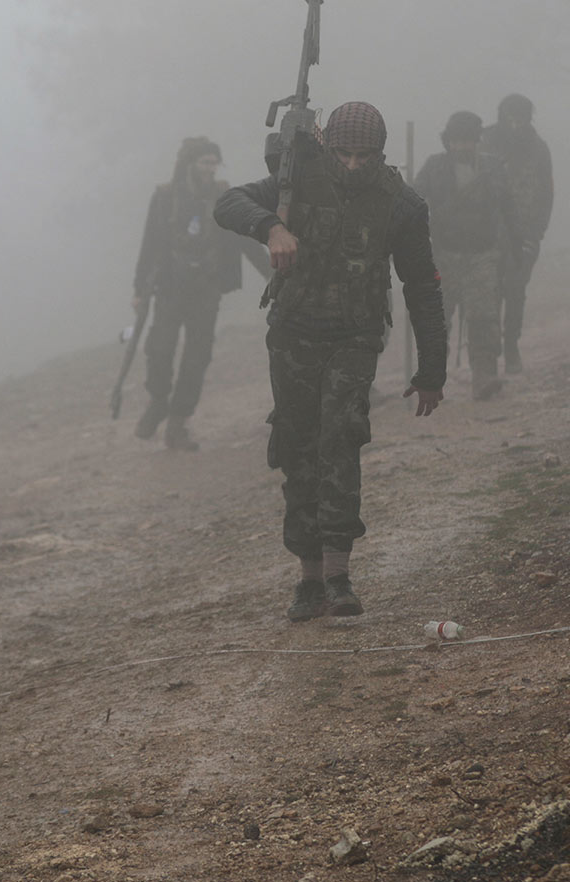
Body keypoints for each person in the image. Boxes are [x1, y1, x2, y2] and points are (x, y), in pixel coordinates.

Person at [214, 101, 448, 622]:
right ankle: (309, 577)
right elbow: (227, 204)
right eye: (342, 153)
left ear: (380, 153)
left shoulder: (401, 204)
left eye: (364, 156)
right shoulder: (296, 177)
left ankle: (340, 572)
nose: (352, 165)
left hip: (355, 337)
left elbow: (422, 287)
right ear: (327, 147)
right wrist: (271, 227)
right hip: (293, 334)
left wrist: (432, 370)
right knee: (297, 446)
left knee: (340, 438)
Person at [131, 137, 273, 450]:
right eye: (204, 162)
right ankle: (158, 401)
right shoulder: (166, 197)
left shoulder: (224, 197)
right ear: (189, 164)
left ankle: (178, 423)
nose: (210, 169)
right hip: (169, 289)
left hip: (206, 291)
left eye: (213, 163)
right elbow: (150, 243)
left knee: (197, 357)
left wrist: (272, 274)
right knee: (159, 349)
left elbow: (245, 239)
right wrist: (139, 289)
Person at [414, 111, 521, 400]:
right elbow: (413, 202)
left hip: (483, 254)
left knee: (484, 317)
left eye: (468, 141)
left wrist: (518, 247)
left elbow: (509, 209)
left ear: (477, 141)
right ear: (447, 141)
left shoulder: (493, 169)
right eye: (456, 141)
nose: (461, 147)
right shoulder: (434, 168)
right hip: (443, 255)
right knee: (437, 321)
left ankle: (484, 375)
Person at [480, 93, 553, 374]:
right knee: (489, 293)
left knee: (515, 291)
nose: (515, 124)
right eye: (510, 116)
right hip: (486, 234)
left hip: (524, 235)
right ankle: (488, 353)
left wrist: (537, 232)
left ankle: (511, 348)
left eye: (520, 117)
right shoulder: (483, 142)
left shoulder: (539, 149)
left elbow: (547, 193)